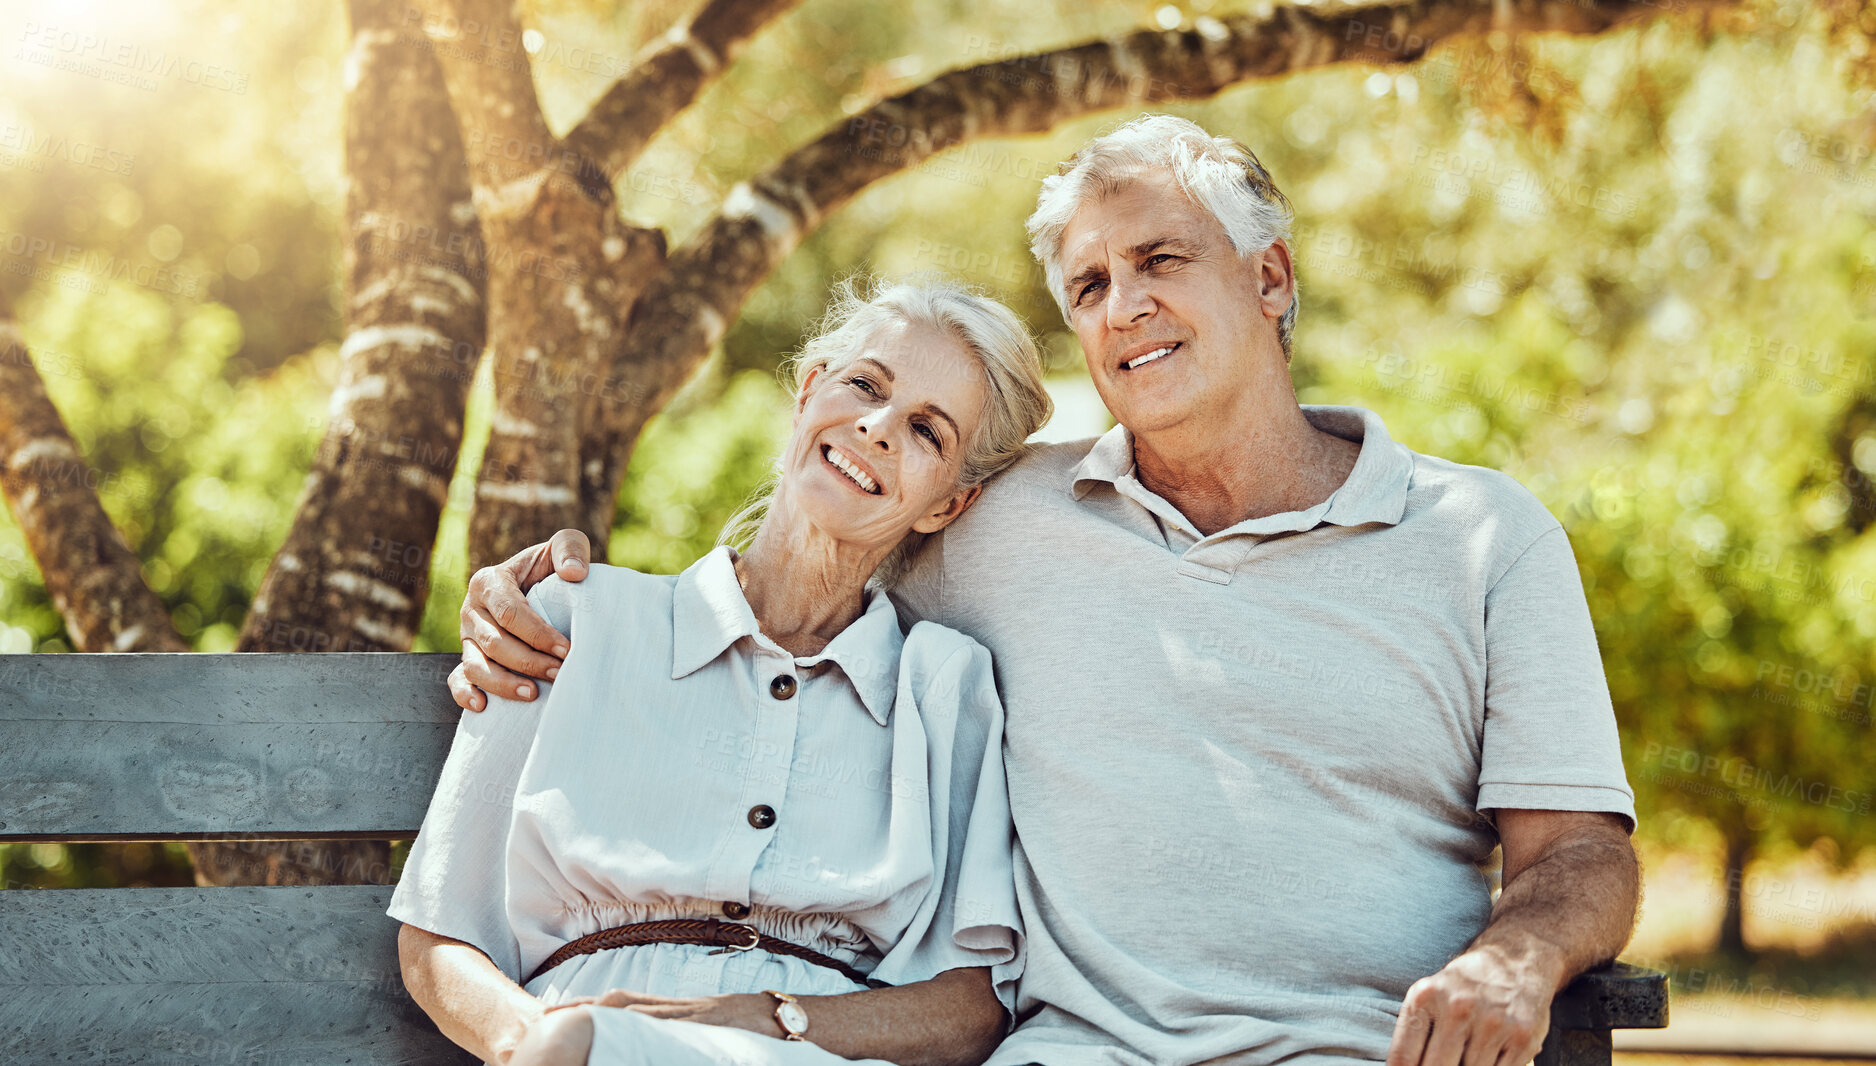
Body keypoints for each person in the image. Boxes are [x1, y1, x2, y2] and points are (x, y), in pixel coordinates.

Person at [450, 115, 1641, 1066]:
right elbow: (804, 545)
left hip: (1350, 1048)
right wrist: (536, 601)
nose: (1122, 307)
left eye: (1160, 260)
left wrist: (1515, 959)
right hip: (1071, 1051)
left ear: (1270, 276)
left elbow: (1581, 853)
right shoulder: (1002, 508)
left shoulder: (1483, 536)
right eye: (1087, 286)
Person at [390, 277, 1055, 1066]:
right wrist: (534, 1045)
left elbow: (970, 1007)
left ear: (947, 504)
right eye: (865, 385)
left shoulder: (944, 688)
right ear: (809, 393)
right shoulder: (575, 619)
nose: (876, 427)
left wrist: (766, 1020)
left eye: (926, 432)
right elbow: (438, 936)